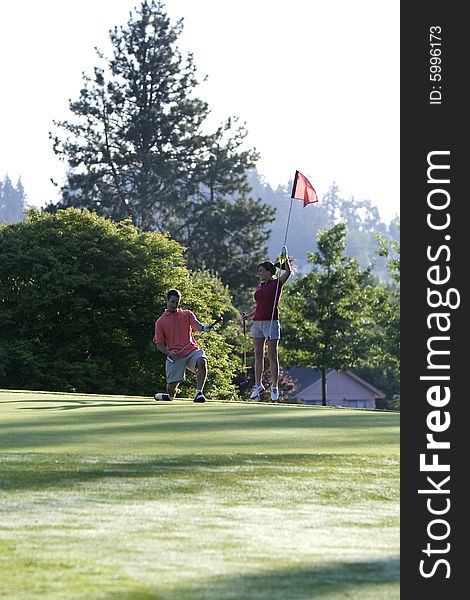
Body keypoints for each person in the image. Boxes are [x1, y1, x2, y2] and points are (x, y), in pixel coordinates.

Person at [242, 246, 293, 402]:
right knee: (258, 355)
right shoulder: (260, 287)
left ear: (270, 272)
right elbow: (260, 306)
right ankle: (258, 385)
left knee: (272, 355)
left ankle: (275, 387)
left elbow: (288, 273)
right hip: (257, 323)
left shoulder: (277, 284)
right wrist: (249, 316)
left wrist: (285, 258)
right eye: (259, 271)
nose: (260, 274)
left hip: (271, 323)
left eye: (262, 271)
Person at [153, 289, 213, 403]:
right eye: (173, 302)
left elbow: (196, 325)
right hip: (175, 356)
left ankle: (199, 393)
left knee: (202, 361)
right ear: (167, 301)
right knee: (171, 389)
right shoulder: (160, 322)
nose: (175, 305)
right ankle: (169, 396)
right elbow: (159, 345)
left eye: (177, 302)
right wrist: (169, 352)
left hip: (191, 351)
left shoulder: (187, 314)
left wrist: (204, 328)